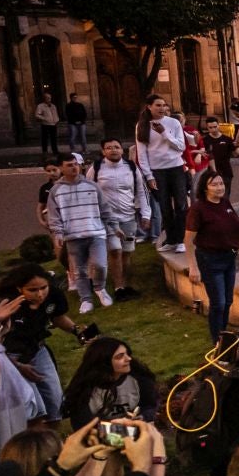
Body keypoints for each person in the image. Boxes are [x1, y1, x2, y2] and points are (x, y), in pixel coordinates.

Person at [0, 263, 85, 423]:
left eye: (43, 287)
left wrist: (76, 331)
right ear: (18, 288)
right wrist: (16, 366)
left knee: (55, 401)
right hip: (9, 355)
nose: (40, 294)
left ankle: (54, 440)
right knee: (33, 407)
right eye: (33, 290)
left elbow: (57, 317)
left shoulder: (53, 295)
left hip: (37, 349)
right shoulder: (6, 305)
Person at [45, 153, 111, 313]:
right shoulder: (56, 190)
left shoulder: (92, 186)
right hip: (73, 236)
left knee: (100, 265)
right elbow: (54, 215)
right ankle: (86, 299)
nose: (74, 167)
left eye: (76, 164)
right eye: (69, 165)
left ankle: (100, 288)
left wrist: (112, 227)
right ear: (61, 168)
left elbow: (105, 208)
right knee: (79, 270)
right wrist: (58, 234)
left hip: (96, 233)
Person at [184, 170, 239, 341]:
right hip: (210, 260)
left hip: (229, 258)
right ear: (205, 188)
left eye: (221, 184)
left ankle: (223, 335)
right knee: (219, 303)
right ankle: (217, 340)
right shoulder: (198, 209)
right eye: (214, 184)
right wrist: (193, 267)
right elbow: (188, 240)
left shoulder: (225, 203)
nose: (219, 188)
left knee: (228, 301)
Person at [88, 138, 150, 302]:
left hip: (128, 217)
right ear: (103, 152)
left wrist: (146, 214)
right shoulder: (96, 168)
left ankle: (126, 285)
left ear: (122, 150)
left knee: (127, 252)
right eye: (109, 148)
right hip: (107, 219)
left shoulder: (131, 167)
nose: (113, 150)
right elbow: (88, 191)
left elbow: (142, 192)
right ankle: (118, 287)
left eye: (116, 147)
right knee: (115, 251)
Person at [61, 337, 156, 429]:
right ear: (104, 362)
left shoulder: (138, 378)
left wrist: (143, 417)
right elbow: (82, 424)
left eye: (127, 354)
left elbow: (149, 405)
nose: (128, 359)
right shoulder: (84, 388)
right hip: (97, 435)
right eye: (120, 356)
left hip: (132, 431)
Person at [136, 96, 188, 253]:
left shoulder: (173, 123)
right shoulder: (142, 125)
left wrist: (165, 134)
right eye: (158, 105)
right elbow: (142, 152)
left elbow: (181, 147)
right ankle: (171, 239)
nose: (162, 108)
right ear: (149, 107)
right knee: (164, 206)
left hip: (176, 167)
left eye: (164, 105)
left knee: (180, 204)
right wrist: (148, 175)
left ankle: (181, 239)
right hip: (157, 171)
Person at [34, 93, 60, 159]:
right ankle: (45, 151)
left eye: (50, 98)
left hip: (53, 124)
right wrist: (45, 119)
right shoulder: (40, 106)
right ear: (44, 98)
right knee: (45, 138)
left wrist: (57, 119)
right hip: (45, 124)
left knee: (53, 138)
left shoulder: (53, 106)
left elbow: (55, 114)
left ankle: (55, 151)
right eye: (47, 98)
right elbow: (37, 115)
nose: (49, 99)